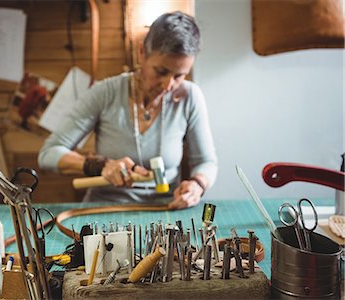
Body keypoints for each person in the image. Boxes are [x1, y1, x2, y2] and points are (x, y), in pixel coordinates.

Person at [38, 11, 218, 209]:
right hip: (105, 208)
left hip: (166, 209)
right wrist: (101, 165)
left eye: (179, 76)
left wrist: (197, 185)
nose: (168, 85)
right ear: (142, 52)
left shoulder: (190, 97)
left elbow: (207, 162)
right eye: (161, 71)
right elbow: (49, 154)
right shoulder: (105, 92)